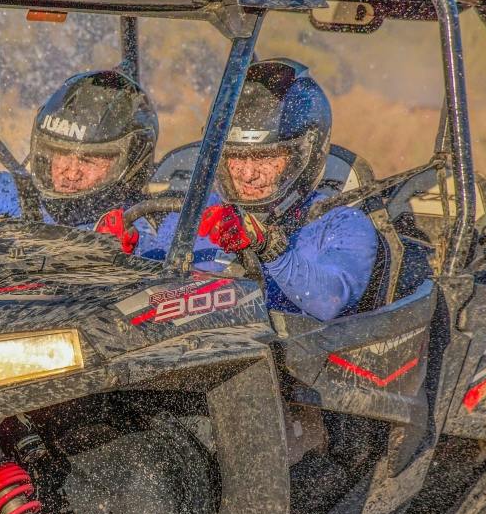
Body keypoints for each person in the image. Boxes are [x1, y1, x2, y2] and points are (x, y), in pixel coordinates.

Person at [141, 59, 377, 319]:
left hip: (291, 354)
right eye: (236, 158)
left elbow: (331, 300)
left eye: (266, 157)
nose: (248, 174)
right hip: (190, 350)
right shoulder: (196, 214)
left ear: (302, 157)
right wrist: (120, 249)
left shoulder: (341, 224)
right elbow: (146, 294)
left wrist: (269, 247)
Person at [0, 68, 156, 250]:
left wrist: (130, 251)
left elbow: (174, 282)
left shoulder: (149, 224)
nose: (71, 172)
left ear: (132, 160)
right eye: (62, 154)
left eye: (90, 160)